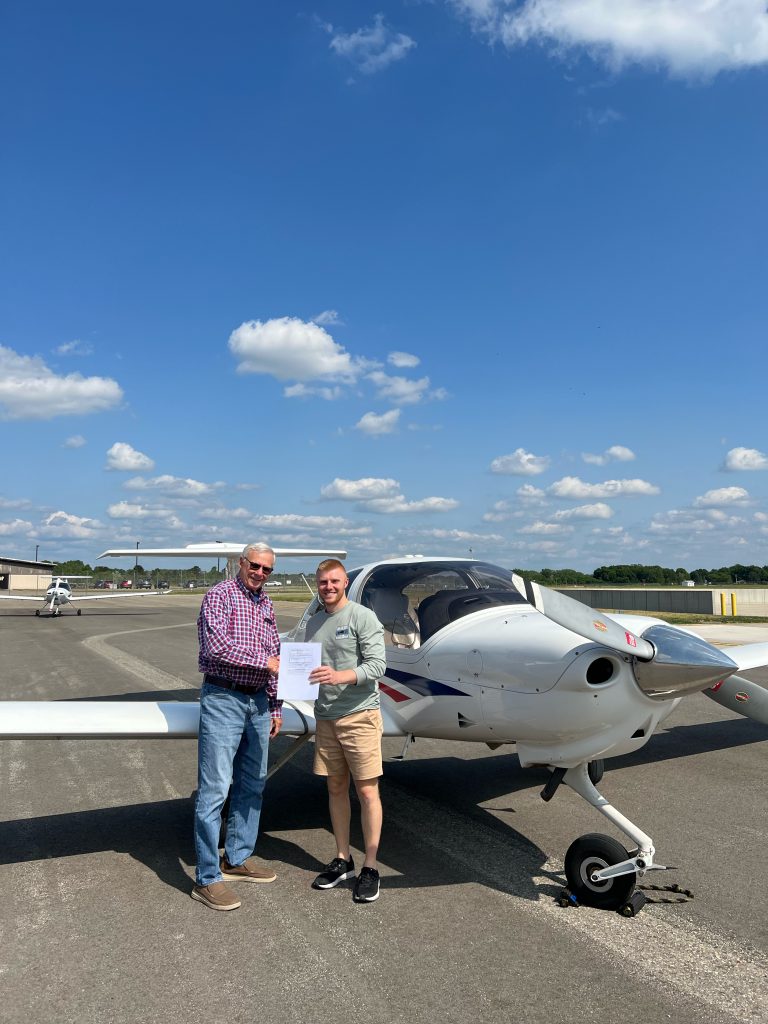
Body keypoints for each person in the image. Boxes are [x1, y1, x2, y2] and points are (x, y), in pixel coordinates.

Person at [191, 542, 282, 911]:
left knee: (253, 783)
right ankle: (207, 877)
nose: (259, 573)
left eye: (266, 569)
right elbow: (217, 647)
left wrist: (275, 705)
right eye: (254, 566)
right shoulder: (219, 595)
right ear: (242, 563)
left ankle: (237, 857)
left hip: (258, 701)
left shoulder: (267, 604)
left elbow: (276, 654)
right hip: (223, 697)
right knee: (214, 789)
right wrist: (266, 663)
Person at [306, 559, 387, 903]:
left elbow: (378, 665)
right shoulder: (314, 622)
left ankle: (370, 866)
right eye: (323, 582)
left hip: (359, 715)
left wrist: (341, 676)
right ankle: (343, 859)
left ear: (344, 583)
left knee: (367, 791)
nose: (328, 587)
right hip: (326, 717)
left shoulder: (362, 617)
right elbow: (305, 665)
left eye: (334, 581)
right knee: (335, 787)